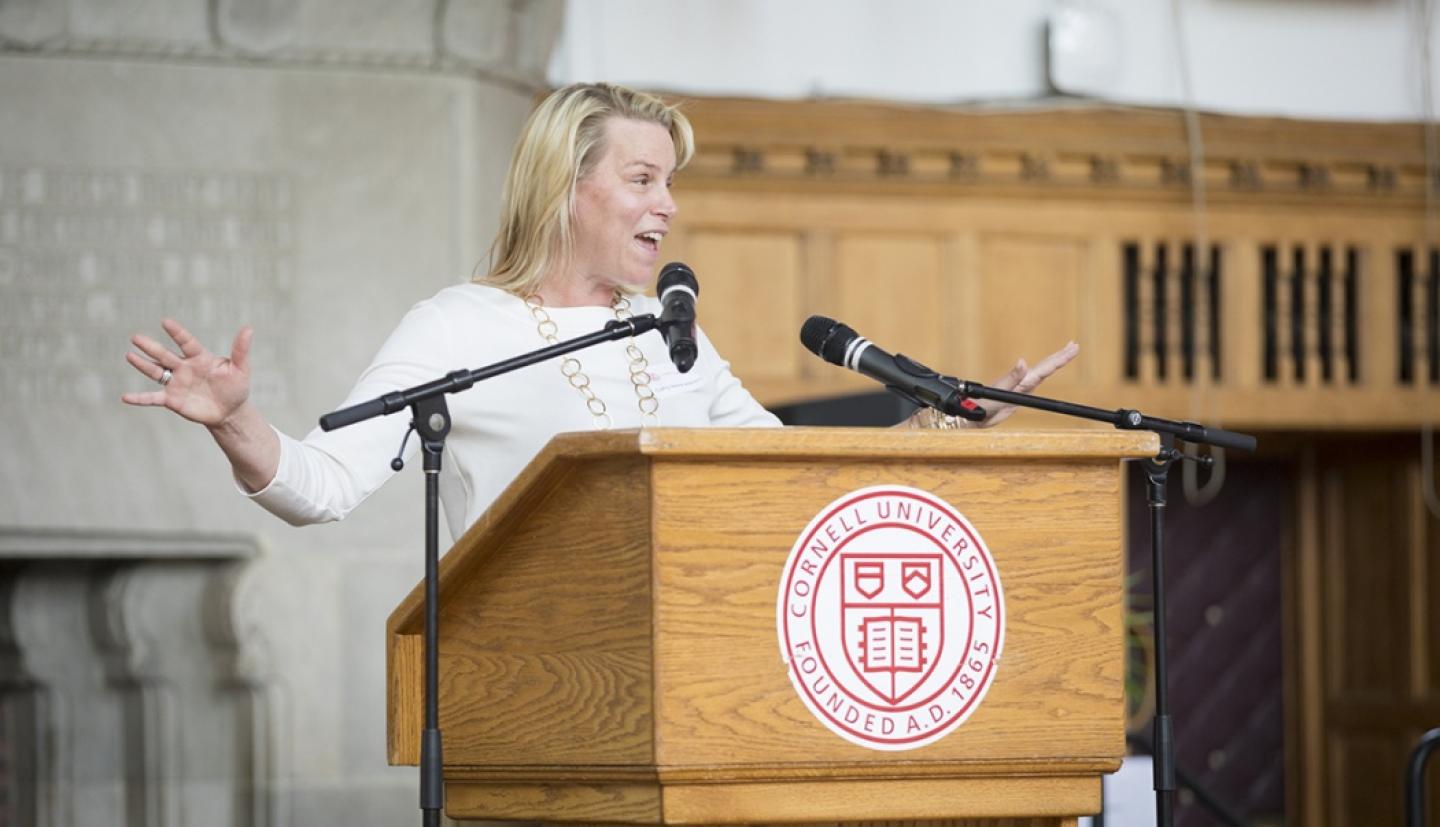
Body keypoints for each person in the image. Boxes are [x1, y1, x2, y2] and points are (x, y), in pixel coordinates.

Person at [123, 82, 1078, 540]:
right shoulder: (460, 325)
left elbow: (793, 475)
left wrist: (945, 422)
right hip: (531, 692)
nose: (669, 205)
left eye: (671, 182)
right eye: (643, 179)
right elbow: (322, 486)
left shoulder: (675, 334)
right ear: (566, 188)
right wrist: (236, 421)